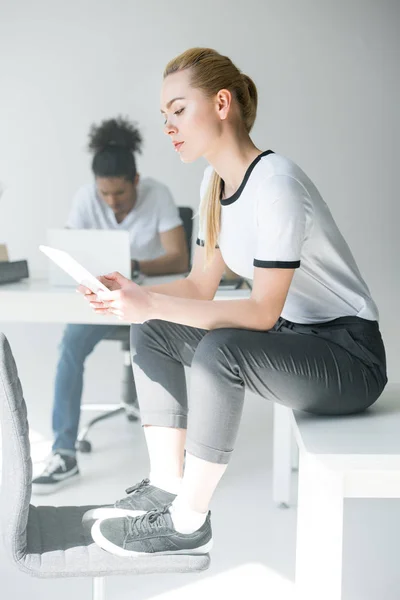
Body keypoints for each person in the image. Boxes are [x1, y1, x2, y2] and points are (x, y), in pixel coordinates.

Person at [81, 48, 387, 557]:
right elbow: (202, 285)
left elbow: (262, 312)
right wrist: (134, 297)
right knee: (151, 327)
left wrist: (151, 301)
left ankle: (187, 521)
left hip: (348, 355)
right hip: (292, 338)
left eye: (179, 110)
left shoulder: (278, 185)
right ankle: (165, 483)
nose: (169, 126)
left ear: (222, 103)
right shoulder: (213, 182)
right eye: (164, 117)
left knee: (218, 350)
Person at [32, 117, 188, 494]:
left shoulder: (159, 195)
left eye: (119, 193)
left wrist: (134, 268)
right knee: (70, 346)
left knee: (165, 353)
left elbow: (179, 259)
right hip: (104, 304)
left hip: (148, 304)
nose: (111, 202)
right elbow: (69, 249)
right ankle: (64, 453)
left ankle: (172, 467)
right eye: (105, 194)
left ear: (135, 181)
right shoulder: (87, 198)